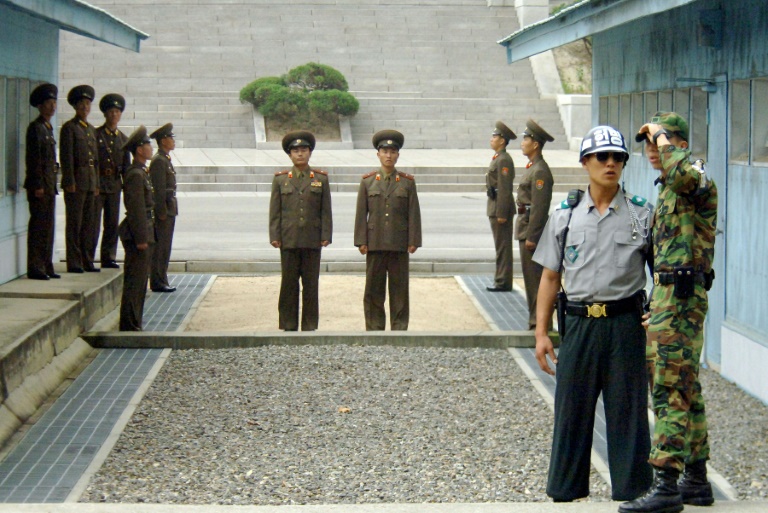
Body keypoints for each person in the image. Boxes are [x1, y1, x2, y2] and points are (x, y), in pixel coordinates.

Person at [533, 125, 653, 502]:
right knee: (572, 410)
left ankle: (633, 490)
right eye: (602, 156)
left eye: (618, 157)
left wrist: (657, 315)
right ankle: (566, 491)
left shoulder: (641, 214)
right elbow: (550, 277)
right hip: (580, 325)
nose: (611, 163)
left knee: (628, 411)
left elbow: (662, 273)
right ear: (586, 162)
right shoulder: (565, 216)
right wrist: (541, 333)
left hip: (625, 325)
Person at [620, 112, 718, 513]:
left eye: (659, 141)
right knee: (686, 388)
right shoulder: (668, 188)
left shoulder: (694, 176)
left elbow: (684, 176)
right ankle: (696, 480)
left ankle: (666, 485)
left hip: (682, 298)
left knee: (668, 387)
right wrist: (657, 302)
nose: (652, 149)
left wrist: (663, 138)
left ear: (679, 144)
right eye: (648, 143)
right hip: (670, 296)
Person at [354, 130, 422, 330]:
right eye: (385, 151)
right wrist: (361, 241)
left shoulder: (407, 182)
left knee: (399, 289)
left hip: (399, 242)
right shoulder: (368, 181)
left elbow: (413, 213)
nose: (389, 156)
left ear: (398, 155)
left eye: (393, 152)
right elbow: (361, 214)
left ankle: (399, 327)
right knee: (373, 288)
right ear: (378, 154)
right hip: (374, 242)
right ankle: (374, 327)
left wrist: (414, 240)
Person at [268, 130, 333, 331]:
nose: (300, 154)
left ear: (310, 152)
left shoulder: (320, 179)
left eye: (304, 150)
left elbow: (325, 210)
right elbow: (275, 211)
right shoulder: (281, 179)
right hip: (289, 239)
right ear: (289, 154)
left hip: (312, 239)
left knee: (311, 284)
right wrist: (275, 235)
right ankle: (288, 323)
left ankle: (309, 324)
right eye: (295, 151)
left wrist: (326, 235)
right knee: (289, 283)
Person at [515, 118, 554, 329]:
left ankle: (539, 322)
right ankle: (536, 320)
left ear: (536, 144)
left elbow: (539, 207)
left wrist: (532, 236)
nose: (522, 143)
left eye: (526, 139)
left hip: (531, 231)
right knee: (531, 280)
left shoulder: (539, 171)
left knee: (535, 279)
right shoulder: (533, 167)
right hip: (525, 226)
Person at [118, 126, 155, 331]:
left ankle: (135, 322)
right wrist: (141, 238)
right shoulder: (135, 175)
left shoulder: (141, 172)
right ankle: (129, 324)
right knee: (135, 281)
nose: (151, 147)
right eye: (148, 144)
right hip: (138, 235)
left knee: (141, 282)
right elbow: (136, 209)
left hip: (146, 231)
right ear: (139, 150)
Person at [60, 84, 100, 273]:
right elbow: (66, 157)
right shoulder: (70, 128)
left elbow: (96, 160)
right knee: (75, 224)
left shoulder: (91, 129)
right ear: (75, 106)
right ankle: (74, 261)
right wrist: (69, 181)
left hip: (90, 182)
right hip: (76, 182)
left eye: (87, 103)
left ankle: (87, 259)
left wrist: (96, 183)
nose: (85, 107)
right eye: (82, 103)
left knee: (89, 224)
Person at [24, 83, 60, 281]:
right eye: (48, 103)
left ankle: (46, 264)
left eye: (54, 102)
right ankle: (36, 266)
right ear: (40, 106)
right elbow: (34, 159)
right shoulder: (36, 128)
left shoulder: (47, 128)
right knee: (39, 227)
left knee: (48, 227)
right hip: (39, 186)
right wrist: (38, 184)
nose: (52, 106)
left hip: (49, 185)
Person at [92, 93, 130, 270]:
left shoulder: (123, 139)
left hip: (114, 185)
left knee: (112, 224)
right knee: (93, 223)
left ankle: (108, 257)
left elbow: (126, 167)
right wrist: (95, 183)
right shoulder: (96, 135)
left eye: (117, 112)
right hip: (99, 184)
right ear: (105, 114)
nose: (114, 115)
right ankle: (88, 257)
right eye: (111, 111)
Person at [485, 121, 516, 292]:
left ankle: (503, 281)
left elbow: (505, 188)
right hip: (495, 205)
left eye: (495, 136)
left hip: (499, 207)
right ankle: (501, 279)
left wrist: (502, 212)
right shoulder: (498, 157)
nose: (492, 139)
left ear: (502, 140)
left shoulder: (504, 160)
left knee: (503, 247)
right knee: (500, 246)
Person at [148, 123, 178, 293]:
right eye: (170, 138)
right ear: (163, 140)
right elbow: (158, 190)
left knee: (165, 247)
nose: (173, 141)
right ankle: (158, 280)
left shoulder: (164, 159)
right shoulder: (159, 161)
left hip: (169, 207)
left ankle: (162, 278)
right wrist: (161, 212)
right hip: (164, 209)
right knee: (160, 248)